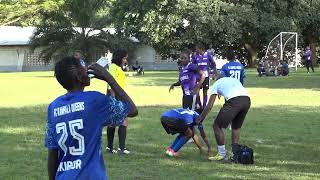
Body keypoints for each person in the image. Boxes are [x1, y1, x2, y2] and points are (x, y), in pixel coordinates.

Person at [45, 57, 138, 180]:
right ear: (79, 77)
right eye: (84, 66)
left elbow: (52, 154)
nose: (87, 68)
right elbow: (132, 110)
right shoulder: (94, 101)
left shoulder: (54, 107)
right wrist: (108, 78)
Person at [196, 76, 251, 161]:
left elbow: (209, 106)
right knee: (236, 127)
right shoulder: (233, 80)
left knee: (217, 126)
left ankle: (221, 154)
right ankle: (234, 154)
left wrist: (201, 117)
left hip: (234, 101)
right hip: (246, 100)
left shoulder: (216, 84)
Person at [106, 49, 131, 154]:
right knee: (123, 121)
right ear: (120, 58)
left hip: (118, 95)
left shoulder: (117, 68)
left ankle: (110, 148)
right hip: (115, 96)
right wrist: (113, 99)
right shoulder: (113, 67)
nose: (125, 60)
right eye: (124, 58)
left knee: (113, 122)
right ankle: (121, 148)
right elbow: (110, 82)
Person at [192, 43, 217, 109]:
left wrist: (214, 72)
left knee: (205, 91)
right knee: (197, 89)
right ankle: (198, 104)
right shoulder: (195, 56)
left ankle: (204, 106)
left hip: (206, 76)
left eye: (196, 48)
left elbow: (213, 63)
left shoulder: (207, 55)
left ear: (200, 48)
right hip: (198, 76)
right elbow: (193, 65)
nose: (195, 50)